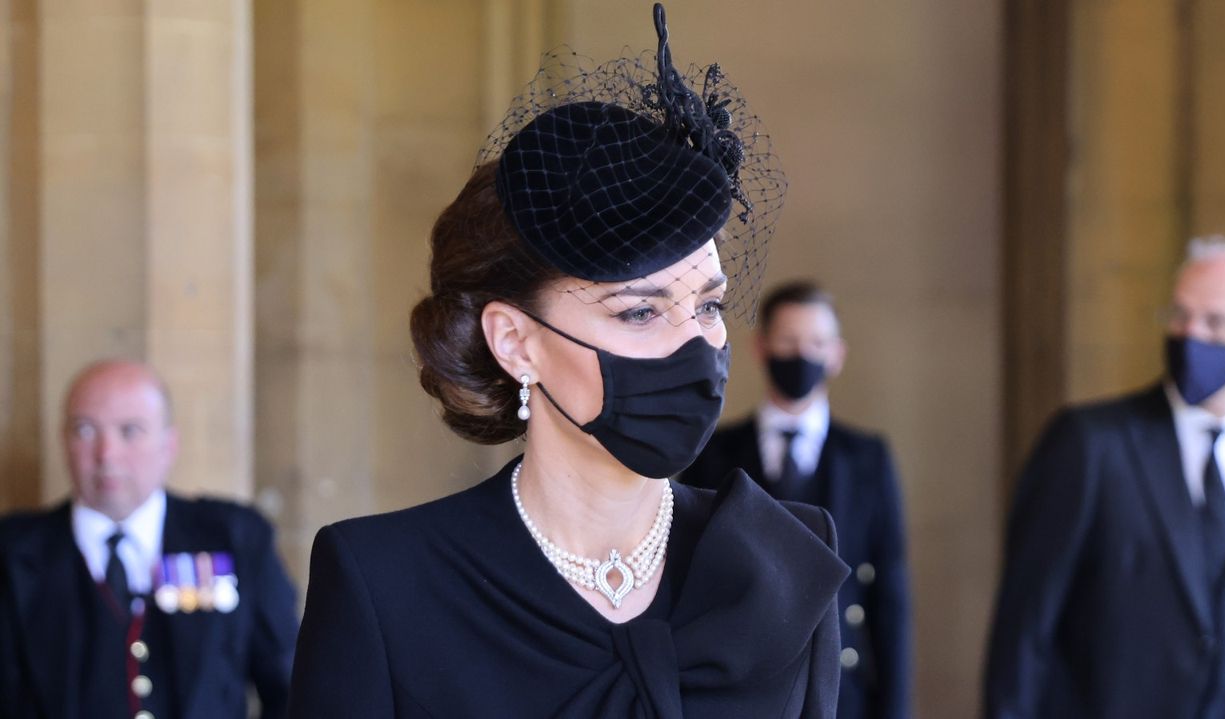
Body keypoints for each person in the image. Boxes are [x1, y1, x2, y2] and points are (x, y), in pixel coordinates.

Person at [287, 4, 848, 717]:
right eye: (639, 311)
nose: (695, 344)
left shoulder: (783, 562)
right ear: (515, 341)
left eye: (707, 305)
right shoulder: (386, 581)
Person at [984, 236, 1225, 719]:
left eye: (1216, 322)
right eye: (1181, 316)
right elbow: (1025, 625)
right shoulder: (1090, 443)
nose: (1191, 335)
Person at [0, 359, 299, 719]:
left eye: (130, 431)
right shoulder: (12, 551)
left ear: (169, 444)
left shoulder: (234, 537)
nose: (106, 455)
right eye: (85, 430)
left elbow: (291, 687)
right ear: (63, 440)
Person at [681, 281, 911, 719]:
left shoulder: (868, 459)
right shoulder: (712, 453)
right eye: (788, 341)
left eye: (816, 343)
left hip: (846, 694)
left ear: (836, 354)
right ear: (761, 347)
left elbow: (891, 598)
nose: (802, 355)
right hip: (740, 696)